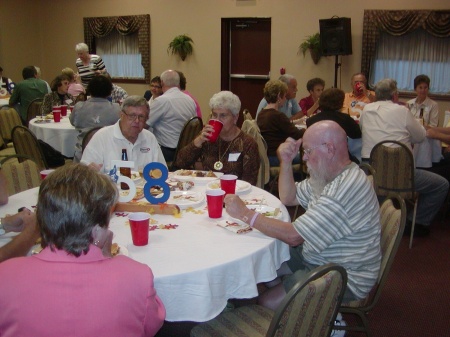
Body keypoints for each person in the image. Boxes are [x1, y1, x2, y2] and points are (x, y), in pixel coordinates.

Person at [224, 120, 381, 311]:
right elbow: (288, 197)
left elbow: (294, 236)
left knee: (266, 302)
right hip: (317, 254)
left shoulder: (345, 187)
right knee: (262, 265)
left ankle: (321, 317)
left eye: (308, 151)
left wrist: (245, 214)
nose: (305, 158)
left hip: (343, 274)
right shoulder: (327, 176)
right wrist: (287, 162)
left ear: (330, 149)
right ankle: (296, 297)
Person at [0, 164, 166, 336]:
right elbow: (151, 326)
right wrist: (108, 258)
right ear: (100, 227)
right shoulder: (137, 276)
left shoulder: (5, 275)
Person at [360, 78, 449, 237]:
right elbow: (421, 136)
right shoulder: (402, 111)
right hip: (401, 174)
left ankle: (379, 218)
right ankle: (415, 221)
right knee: (441, 185)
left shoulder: (366, 110)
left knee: (379, 184)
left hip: (372, 173)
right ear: (395, 95)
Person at [175, 91, 260, 185]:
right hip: (206, 189)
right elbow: (180, 163)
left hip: (234, 193)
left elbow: (249, 183)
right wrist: (198, 141)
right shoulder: (207, 138)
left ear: (235, 118)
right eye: (214, 115)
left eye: (223, 115)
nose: (217, 120)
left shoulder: (247, 144)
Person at [81, 95, 166, 174]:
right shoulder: (102, 137)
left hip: (145, 189)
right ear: (121, 115)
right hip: (112, 188)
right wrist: (90, 171)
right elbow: (86, 173)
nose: (137, 121)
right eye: (132, 116)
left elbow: (162, 170)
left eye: (141, 117)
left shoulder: (149, 138)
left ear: (146, 119)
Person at [146, 69, 196, 162]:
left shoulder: (162, 101)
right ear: (178, 82)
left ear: (162, 82)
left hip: (167, 152)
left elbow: (144, 125)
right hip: (186, 150)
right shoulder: (190, 100)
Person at [70, 75, 121, 162]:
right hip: (108, 155)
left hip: (82, 155)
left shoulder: (79, 107)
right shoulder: (117, 109)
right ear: (109, 92)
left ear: (90, 90)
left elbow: (73, 122)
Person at [257, 80, 304, 166]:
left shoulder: (262, 113)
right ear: (279, 96)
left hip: (267, 156)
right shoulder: (277, 116)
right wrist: (308, 129)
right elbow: (297, 134)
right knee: (306, 157)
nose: (285, 99)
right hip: (275, 157)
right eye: (284, 96)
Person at [307, 88, 362, 162]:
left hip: (318, 159)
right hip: (340, 159)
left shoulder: (310, 121)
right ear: (341, 103)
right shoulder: (345, 119)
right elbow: (357, 134)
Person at [406, 74, 441, 168]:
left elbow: (433, 126)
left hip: (426, 136)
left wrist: (420, 125)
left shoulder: (433, 105)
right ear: (415, 89)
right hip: (410, 135)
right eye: (420, 87)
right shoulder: (409, 104)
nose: (423, 90)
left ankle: (422, 167)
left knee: (422, 140)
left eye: (425, 87)